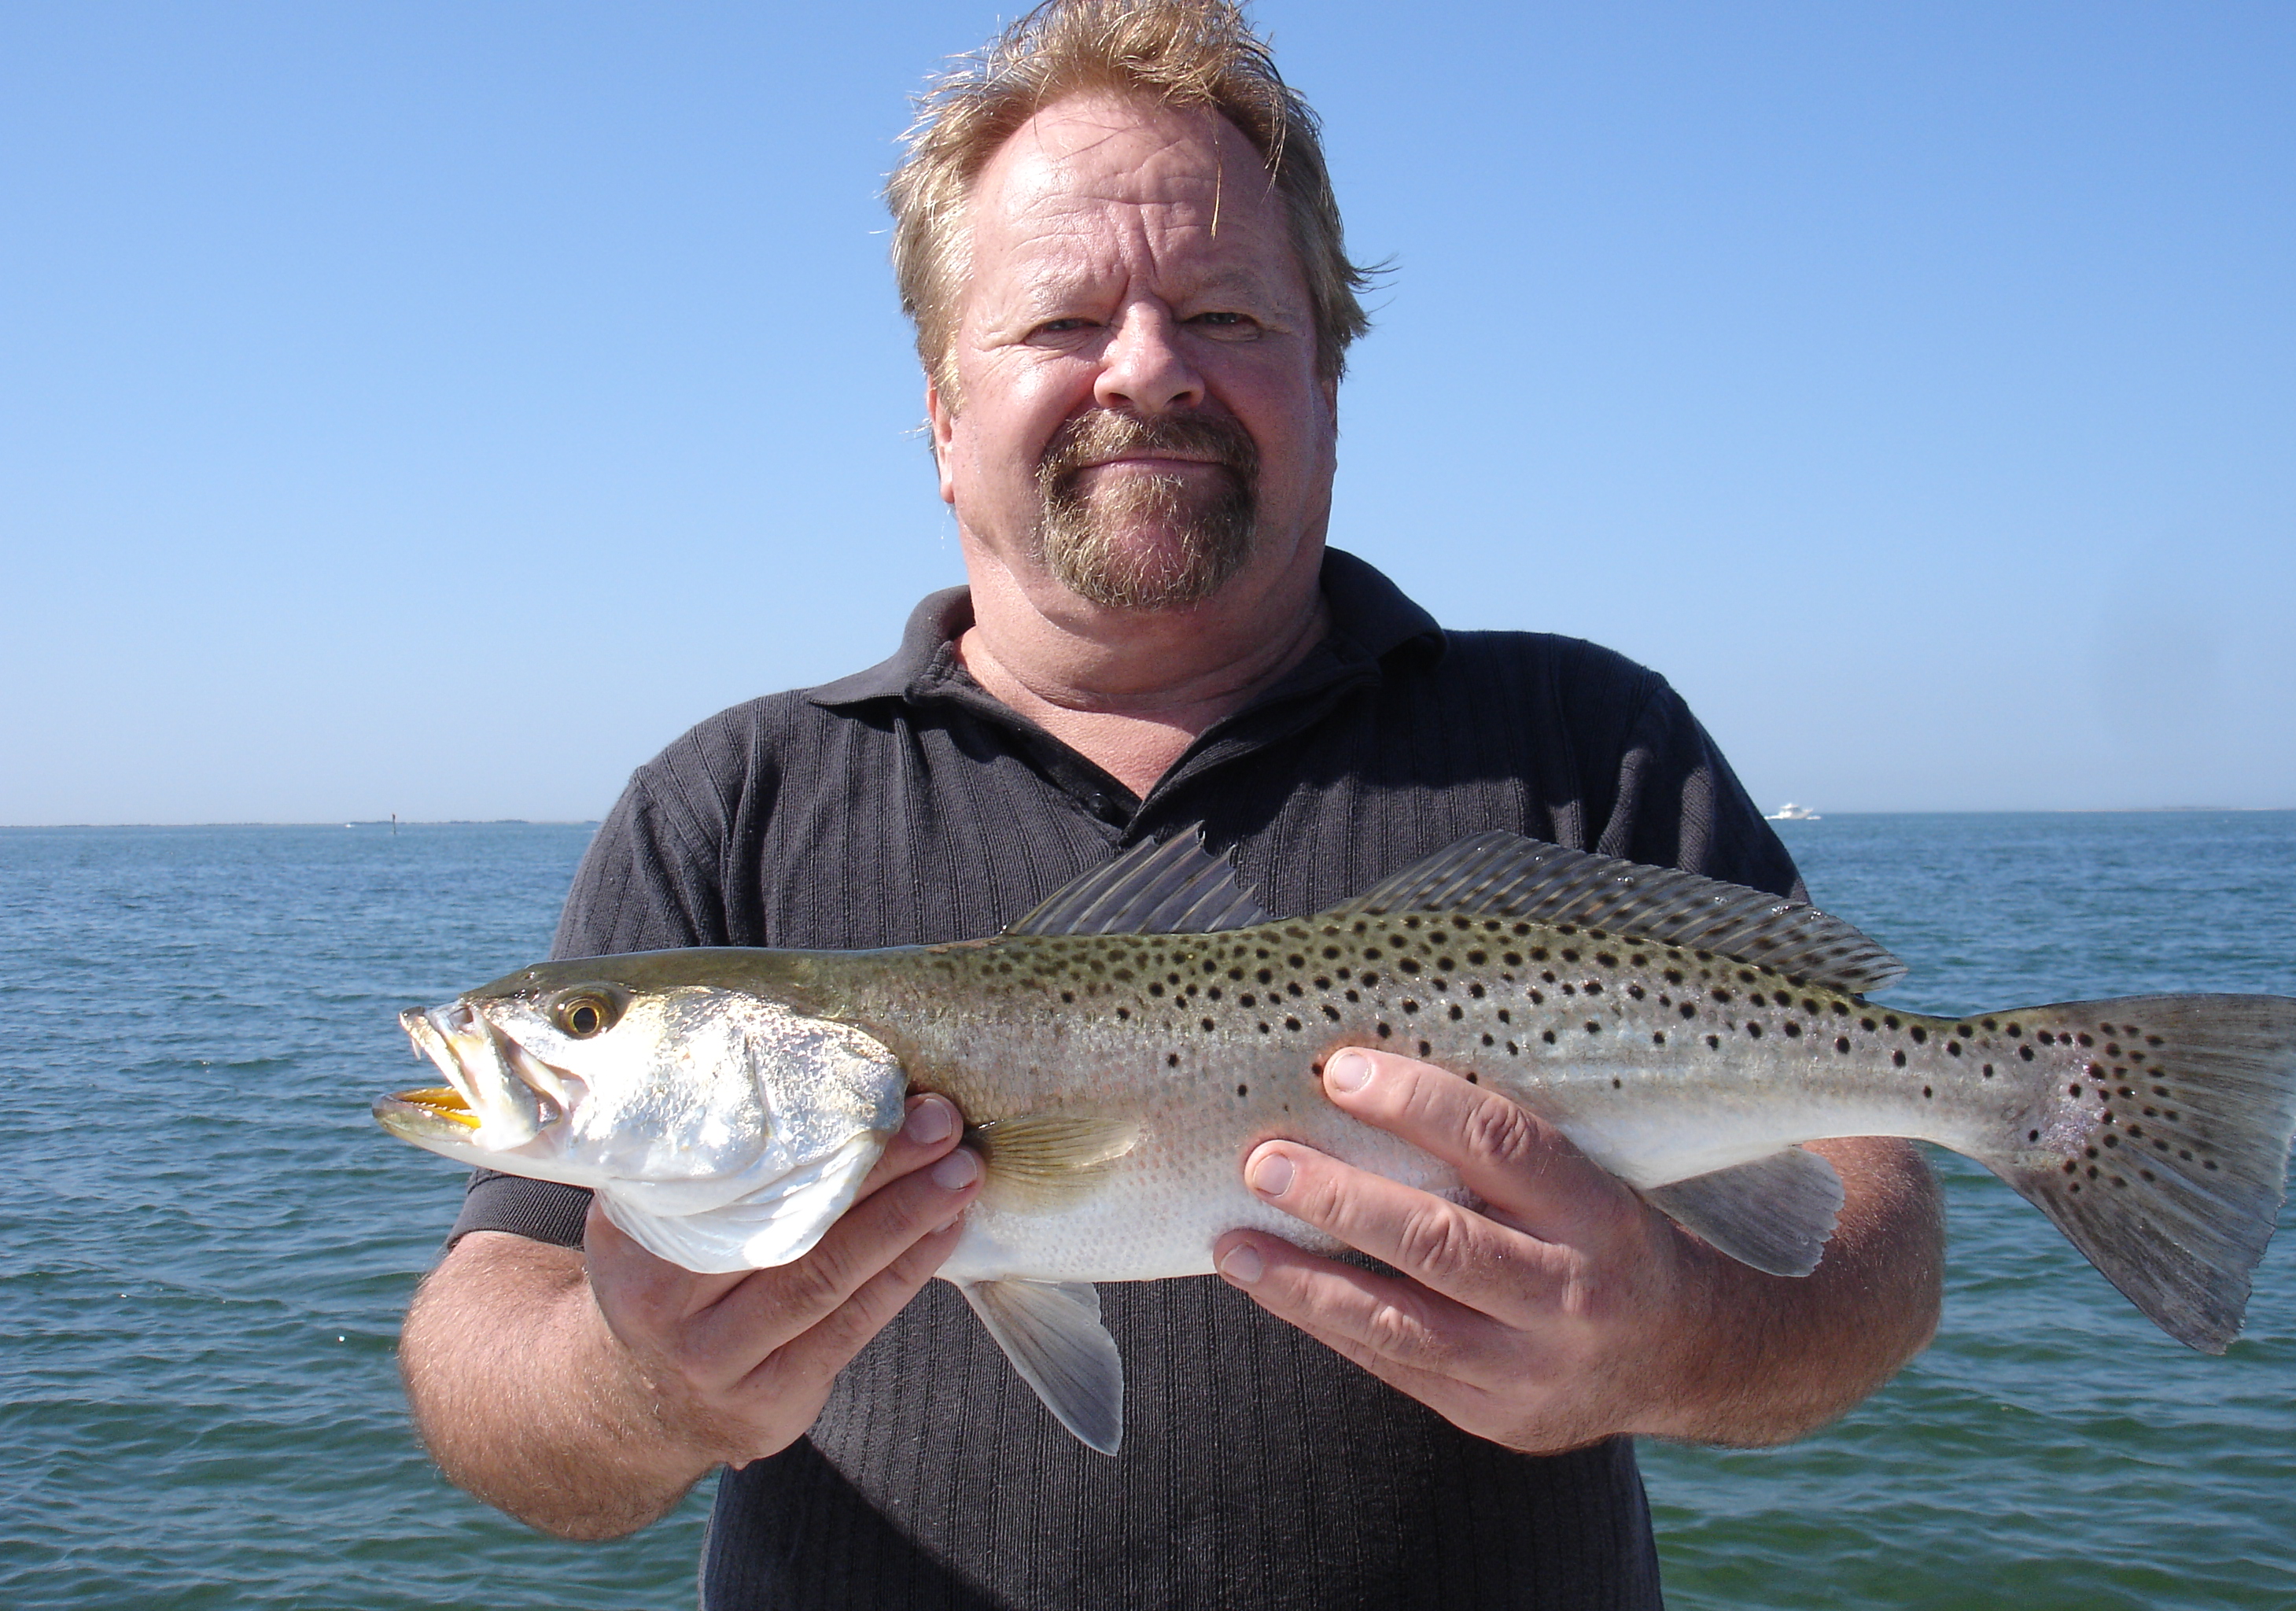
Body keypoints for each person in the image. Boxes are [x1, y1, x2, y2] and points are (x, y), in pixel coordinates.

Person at [397, 3, 1944, 1605]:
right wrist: (633, 1384)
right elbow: (483, 1347)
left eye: (1224, 313)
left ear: (1330, 386)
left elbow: (1871, 1204)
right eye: (1063, 321)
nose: (1147, 368)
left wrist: (1681, 1343)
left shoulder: (1585, 737)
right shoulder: (729, 800)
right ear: (942, 414)